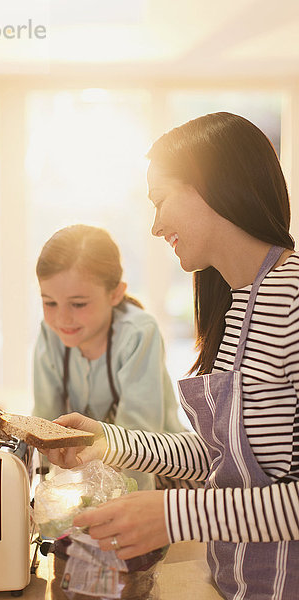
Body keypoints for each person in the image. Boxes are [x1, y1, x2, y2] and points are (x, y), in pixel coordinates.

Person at [40, 112, 299, 600]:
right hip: (235, 586)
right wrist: (106, 441)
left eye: (160, 201)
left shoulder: (293, 299)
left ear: (212, 187)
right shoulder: (237, 303)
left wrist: (171, 516)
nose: (157, 226)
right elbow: (222, 459)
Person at [33, 224, 182, 490]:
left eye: (78, 304)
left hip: (161, 473)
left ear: (116, 293)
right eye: (50, 302)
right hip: (98, 477)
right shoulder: (49, 333)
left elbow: (140, 441)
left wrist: (130, 511)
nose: (61, 318)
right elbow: (45, 424)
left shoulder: (138, 333)